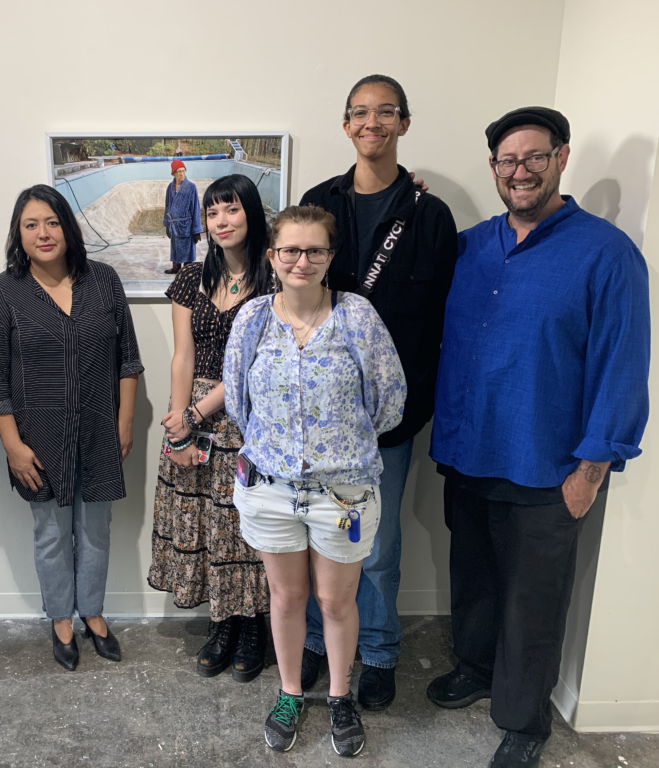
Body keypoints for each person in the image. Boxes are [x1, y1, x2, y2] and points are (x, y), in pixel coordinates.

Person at [428, 107, 650, 768]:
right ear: (494, 168)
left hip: (550, 465)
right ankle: (473, 667)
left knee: (533, 600)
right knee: (472, 577)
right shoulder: (469, 246)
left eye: (534, 157)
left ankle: (524, 718)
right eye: (507, 160)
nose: (519, 171)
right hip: (469, 450)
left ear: (561, 158)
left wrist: (594, 466)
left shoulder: (606, 253)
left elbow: (622, 364)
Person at [298, 74, 459, 711]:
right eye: (360, 113)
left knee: (377, 544)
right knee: (318, 538)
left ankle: (381, 652)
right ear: (345, 126)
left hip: (391, 418)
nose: (373, 123)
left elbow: (447, 315)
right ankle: (315, 642)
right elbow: (289, 288)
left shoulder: (429, 214)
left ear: (404, 123)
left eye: (385, 112)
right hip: (320, 414)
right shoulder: (317, 201)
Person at [224, 205, 406, 756]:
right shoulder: (253, 319)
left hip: (343, 492)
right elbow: (238, 402)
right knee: (286, 597)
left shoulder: (357, 318)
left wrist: (335, 450)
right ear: (272, 256)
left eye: (315, 251)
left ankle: (341, 696)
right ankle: (289, 692)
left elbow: (389, 402)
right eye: (290, 251)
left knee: (335, 601)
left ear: (331, 257)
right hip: (271, 488)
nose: (301, 261)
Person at [0, 184, 143, 672]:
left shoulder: (104, 281)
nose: (43, 233)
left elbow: (128, 362)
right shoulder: (5, 291)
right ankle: (60, 620)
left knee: (96, 529)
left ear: (67, 227)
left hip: (99, 431)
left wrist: (124, 423)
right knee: (50, 532)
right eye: (31, 225)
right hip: (37, 436)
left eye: (51, 222)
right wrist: (12, 446)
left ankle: (92, 611)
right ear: (19, 234)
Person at [148, 174, 272, 683]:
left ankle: (253, 628)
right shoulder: (191, 280)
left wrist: (199, 415)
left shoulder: (275, 277)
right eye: (213, 213)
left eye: (233, 210)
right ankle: (221, 624)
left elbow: (252, 365)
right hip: (194, 412)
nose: (222, 222)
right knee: (203, 522)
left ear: (253, 214)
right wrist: (180, 423)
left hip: (250, 414)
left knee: (247, 526)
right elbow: (182, 355)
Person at [163, 159, 203, 275]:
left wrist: (196, 230)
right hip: (174, 224)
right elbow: (167, 205)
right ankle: (176, 268)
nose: (182, 174)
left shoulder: (191, 187)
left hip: (186, 224)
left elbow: (195, 208)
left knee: (187, 248)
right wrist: (167, 224)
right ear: (174, 173)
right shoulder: (170, 187)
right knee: (175, 247)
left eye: (183, 171)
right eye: (179, 171)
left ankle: (187, 269)